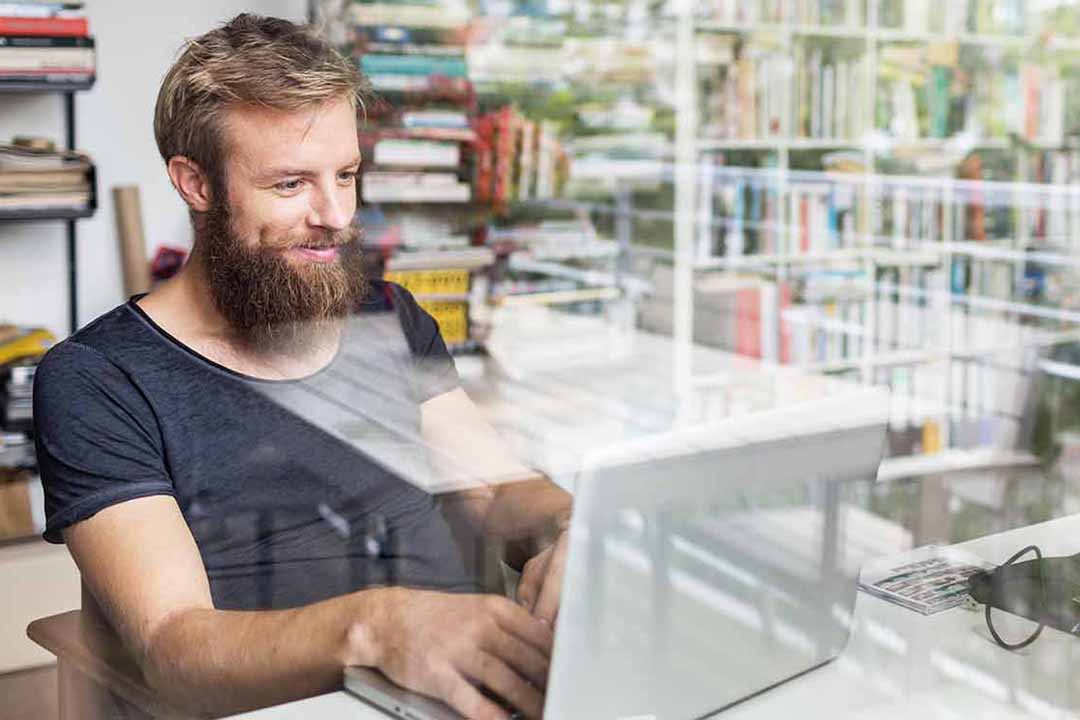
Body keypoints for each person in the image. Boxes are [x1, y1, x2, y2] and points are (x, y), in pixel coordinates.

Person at [32, 14, 571, 720]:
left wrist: (571, 524)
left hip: (468, 689)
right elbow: (175, 647)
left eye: (345, 175)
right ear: (195, 183)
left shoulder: (389, 316)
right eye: (291, 185)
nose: (336, 215)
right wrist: (377, 627)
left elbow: (499, 495)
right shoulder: (98, 378)